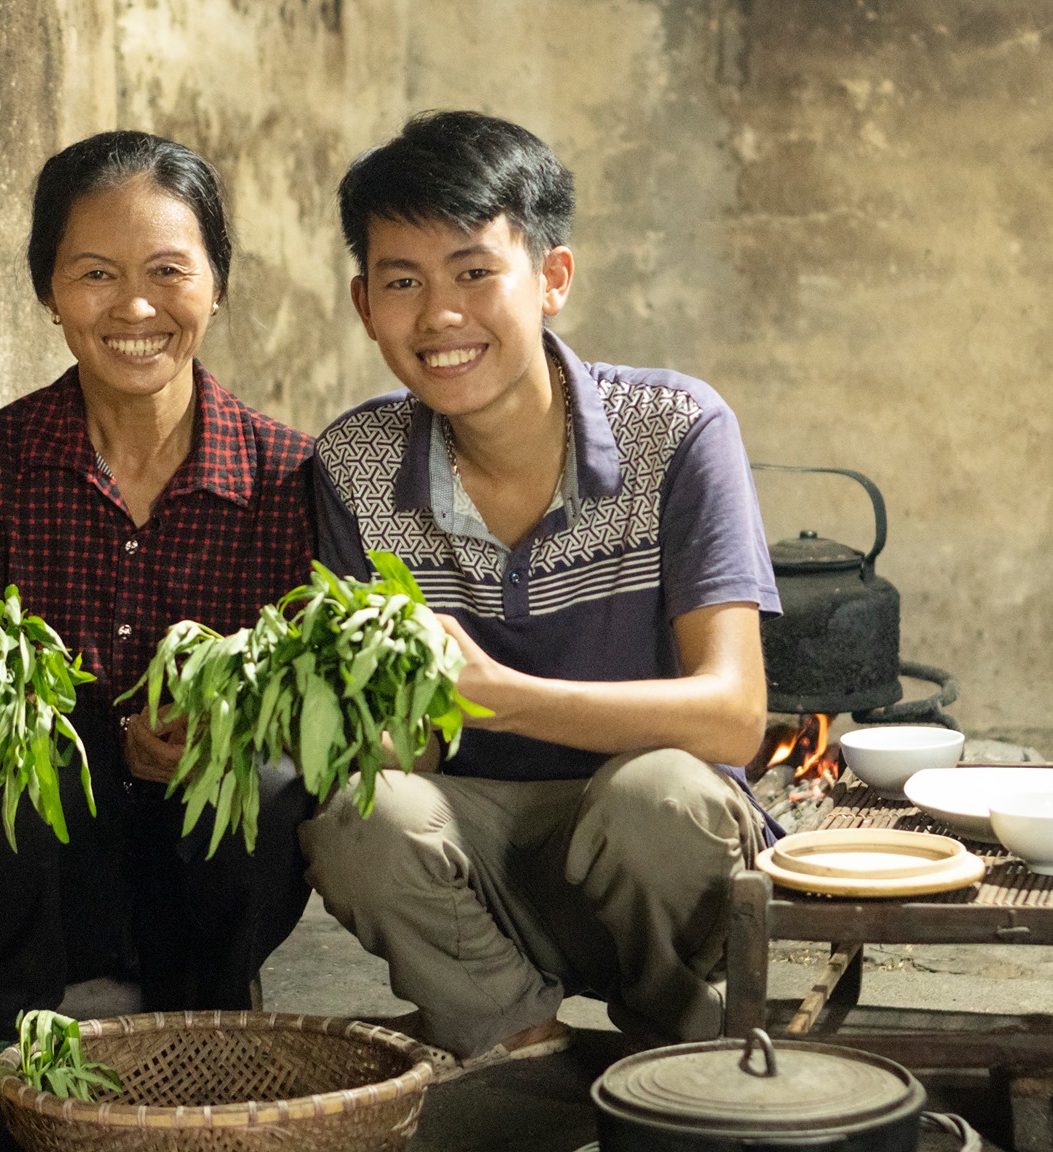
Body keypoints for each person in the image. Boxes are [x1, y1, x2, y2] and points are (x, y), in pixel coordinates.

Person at [299, 110, 781, 1076]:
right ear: (364, 304)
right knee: (358, 810)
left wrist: (502, 694)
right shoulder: (353, 461)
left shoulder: (676, 426)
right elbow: (398, 747)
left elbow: (734, 720)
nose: (439, 315)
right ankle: (518, 1037)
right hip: (475, 858)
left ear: (553, 279)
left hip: (652, 856)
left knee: (660, 797)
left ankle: (673, 1026)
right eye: (404, 281)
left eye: (475, 273)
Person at [0, 131, 316, 1058]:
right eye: (95, 273)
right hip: (32, 875)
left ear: (217, 282)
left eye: (169, 269)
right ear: (50, 292)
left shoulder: (288, 478)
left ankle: (209, 1014)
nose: (135, 305)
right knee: (9, 745)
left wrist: (228, 732)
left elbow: (314, 700)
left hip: (199, 868)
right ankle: (16, 1034)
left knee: (266, 774)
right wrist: (88, 735)